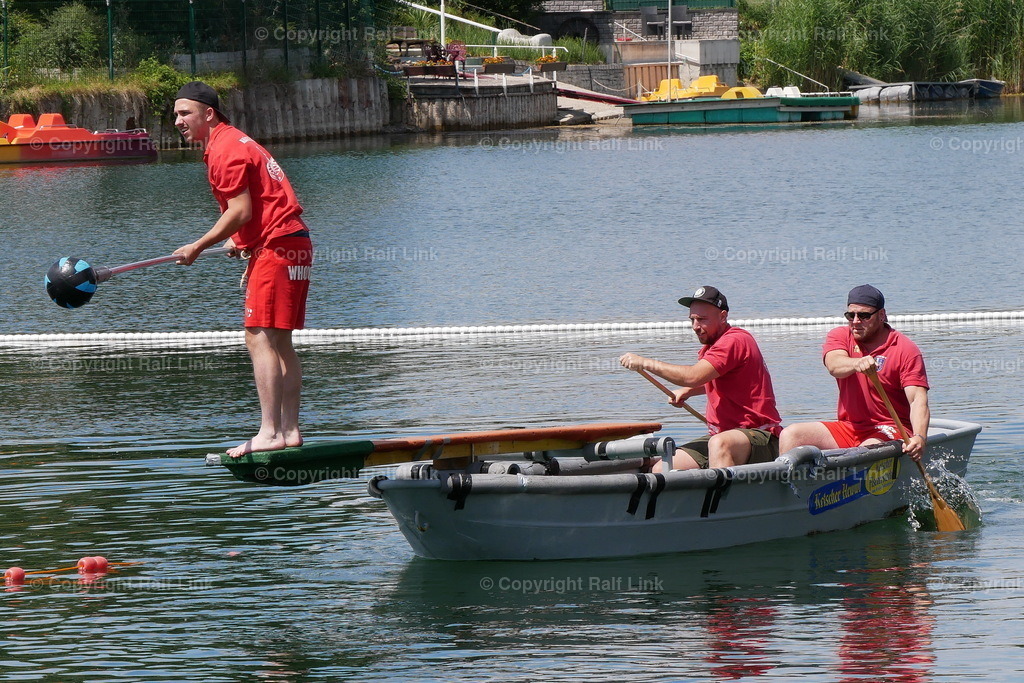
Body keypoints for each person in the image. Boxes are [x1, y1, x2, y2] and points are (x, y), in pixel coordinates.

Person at [171, 81, 313, 458]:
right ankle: (289, 430)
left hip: (278, 248)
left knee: (258, 337)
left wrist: (198, 247)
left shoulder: (224, 149)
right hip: (292, 243)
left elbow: (241, 211)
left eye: (184, 113)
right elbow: (258, 205)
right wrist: (240, 240)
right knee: (280, 340)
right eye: (175, 115)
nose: (178, 121)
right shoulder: (235, 141)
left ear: (208, 114)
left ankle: (269, 432)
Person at [619, 286, 782, 471]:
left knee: (720, 444)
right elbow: (717, 380)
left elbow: (693, 376)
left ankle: (726, 498)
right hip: (723, 436)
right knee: (662, 468)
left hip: (760, 435)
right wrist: (688, 392)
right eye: (693, 320)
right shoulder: (711, 347)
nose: (696, 326)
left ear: (722, 316)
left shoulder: (734, 341)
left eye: (702, 320)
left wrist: (645, 363)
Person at [778, 284, 929, 461]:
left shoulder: (905, 349)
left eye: (864, 316)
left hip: (891, 428)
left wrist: (919, 437)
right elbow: (834, 365)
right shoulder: (840, 335)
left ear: (881, 315)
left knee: (863, 452)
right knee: (791, 434)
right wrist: (856, 363)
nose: (856, 321)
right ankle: (789, 487)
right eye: (851, 315)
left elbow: (917, 400)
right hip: (850, 427)